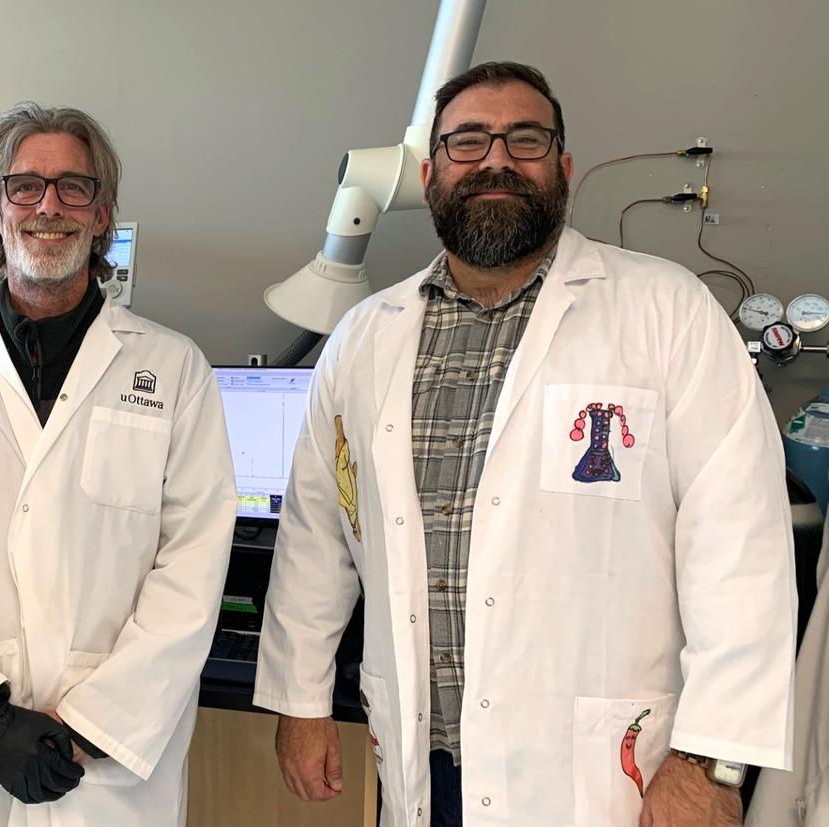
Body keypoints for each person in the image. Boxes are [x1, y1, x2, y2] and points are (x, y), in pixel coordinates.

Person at [254, 62, 796, 826]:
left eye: (526, 139)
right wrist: (301, 700)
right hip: (426, 759)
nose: (497, 159)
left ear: (564, 167)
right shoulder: (365, 336)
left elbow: (741, 550)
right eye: (468, 141)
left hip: (607, 778)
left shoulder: (669, 312)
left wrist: (714, 761)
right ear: (430, 170)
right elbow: (318, 536)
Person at [0, 102, 237, 825]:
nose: (50, 206)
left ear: (102, 216)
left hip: (111, 760)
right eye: (25, 187)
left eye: (74, 187)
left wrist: (93, 723)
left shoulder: (173, 368)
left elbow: (190, 570)